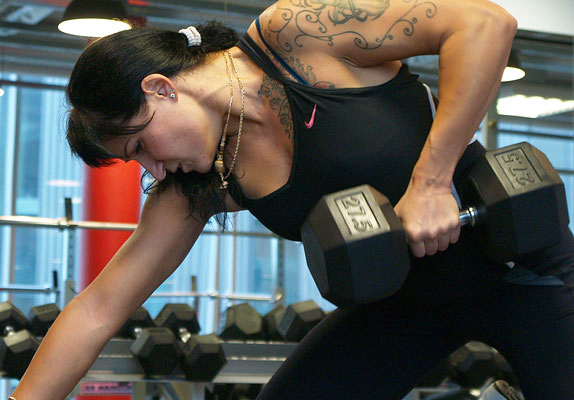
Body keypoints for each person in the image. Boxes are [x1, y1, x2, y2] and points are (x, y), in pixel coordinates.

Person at [10, 0, 574, 399]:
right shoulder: (199, 183)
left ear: (161, 88)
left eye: (141, 145)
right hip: (403, 307)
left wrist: (430, 183)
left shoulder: (296, 35)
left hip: (523, 272)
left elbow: (485, 24)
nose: (153, 170)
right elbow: (99, 309)